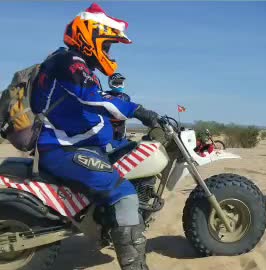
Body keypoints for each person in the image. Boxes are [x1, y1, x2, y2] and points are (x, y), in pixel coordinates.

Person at [30, 3, 158, 269]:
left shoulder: (73, 64)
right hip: (63, 150)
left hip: (79, 145)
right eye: (108, 45)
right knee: (124, 194)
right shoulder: (70, 63)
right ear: (92, 38)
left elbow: (95, 98)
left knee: (131, 152)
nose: (109, 52)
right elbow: (93, 100)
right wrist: (139, 111)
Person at [105, 73, 131, 149]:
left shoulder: (126, 97)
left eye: (120, 83)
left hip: (121, 124)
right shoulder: (105, 95)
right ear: (110, 83)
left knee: (121, 142)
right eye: (116, 83)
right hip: (108, 123)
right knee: (107, 143)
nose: (118, 85)